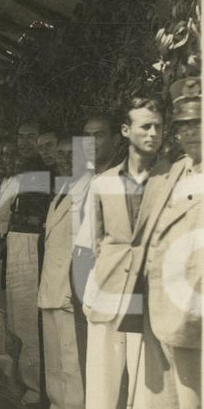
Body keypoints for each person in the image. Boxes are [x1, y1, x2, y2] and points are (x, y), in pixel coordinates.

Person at [80, 94, 175, 409]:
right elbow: (90, 243)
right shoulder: (103, 183)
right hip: (107, 288)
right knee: (103, 380)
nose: (153, 133)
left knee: (147, 385)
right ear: (126, 131)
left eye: (158, 127)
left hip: (151, 292)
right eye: (145, 126)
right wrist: (89, 293)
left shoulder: (171, 179)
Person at [143, 77, 202, 409]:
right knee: (161, 406)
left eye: (197, 124)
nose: (188, 133)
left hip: (195, 306)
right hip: (158, 300)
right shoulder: (175, 171)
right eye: (182, 126)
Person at [0, 121, 52, 406]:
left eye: (33, 136)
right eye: (22, 136)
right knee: (16, 316)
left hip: (31, 246)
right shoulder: (19, 173)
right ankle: (20, 382)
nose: (26, 142)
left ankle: (36, 387)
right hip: (14, 245)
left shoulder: (48, 170)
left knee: (29, 318)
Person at [36, 135, 85, 409]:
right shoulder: (61, 191)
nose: (66, 159)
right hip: (50, 283)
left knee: (71, 356)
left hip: (68, 284)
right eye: (62, 153)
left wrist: (74, 284)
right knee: (54, 354)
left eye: (72, 154)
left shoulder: (86, 191)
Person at [69, 112, 122, 386]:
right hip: (80, 266)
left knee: (107, 353)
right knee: (86, 351)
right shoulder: (87, 178)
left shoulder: (121, 178)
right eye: (86, 136)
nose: (91, 142)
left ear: (116, 138)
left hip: (103, 268)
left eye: (99, 135)